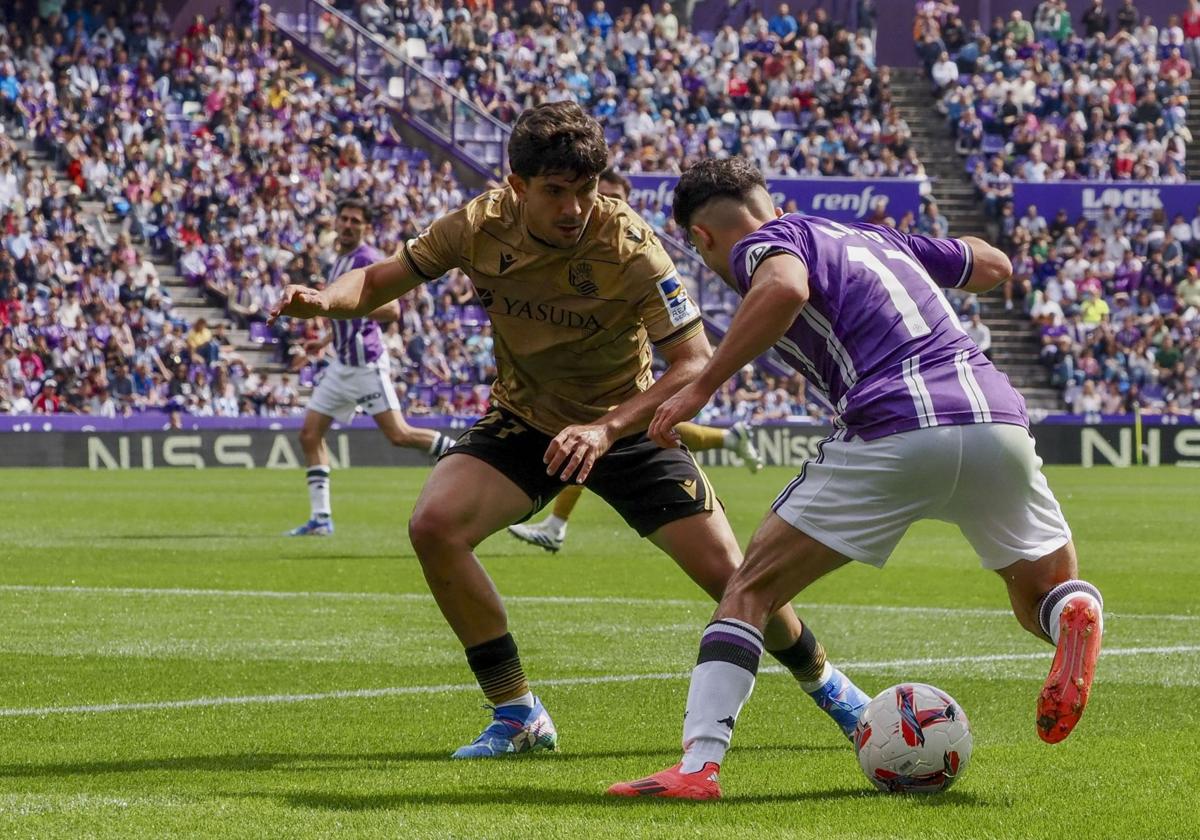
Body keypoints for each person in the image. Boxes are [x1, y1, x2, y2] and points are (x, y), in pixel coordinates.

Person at [271, 104, 864, 760]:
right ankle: (517, 712)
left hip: (628, 427)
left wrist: (607, 428)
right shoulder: (477, 225)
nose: (575, 207)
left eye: (585, 191)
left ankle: (833, 689)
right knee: (434, 526)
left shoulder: (630, 246)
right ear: (517, 185)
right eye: (556, 191)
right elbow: (380, 278)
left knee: (733, 577)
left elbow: (693, 363)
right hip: (526, 421)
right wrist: (329, 299)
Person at [608, 158, 1104, 800]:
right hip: (995, 418)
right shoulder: (876, 237)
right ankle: (1074, 610)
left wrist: (702, 386)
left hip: (895, 421)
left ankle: (699, 767)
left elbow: (784, 289)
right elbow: (995, 266)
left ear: (702, 238)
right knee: (1041, 595)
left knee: (750, 590)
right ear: (772, 198)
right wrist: (944, 252)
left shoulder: (764, 244)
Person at [507, 167, 764, 554]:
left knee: (612, 435)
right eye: (601, 196)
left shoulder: (637, 251)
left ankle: (556, 526)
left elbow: (689, 343)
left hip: (642, 365)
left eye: (614, 198)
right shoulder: (565, 246)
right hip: (594, 375)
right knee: (624, 433)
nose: (600, 208)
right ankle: (730, 439)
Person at [284, 195, 454, 536]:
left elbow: (392, 311)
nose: (347, 225)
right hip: (341, 364)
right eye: (343, 218)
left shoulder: (368, 259)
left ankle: (462, 453)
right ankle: (321, 519)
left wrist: (332, 310)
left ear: (366, 227)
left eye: (354, 221)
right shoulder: (339, 259)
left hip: (366, 365)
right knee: (309, 434)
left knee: (400, 435)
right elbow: (344, 309)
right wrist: (326, 339)